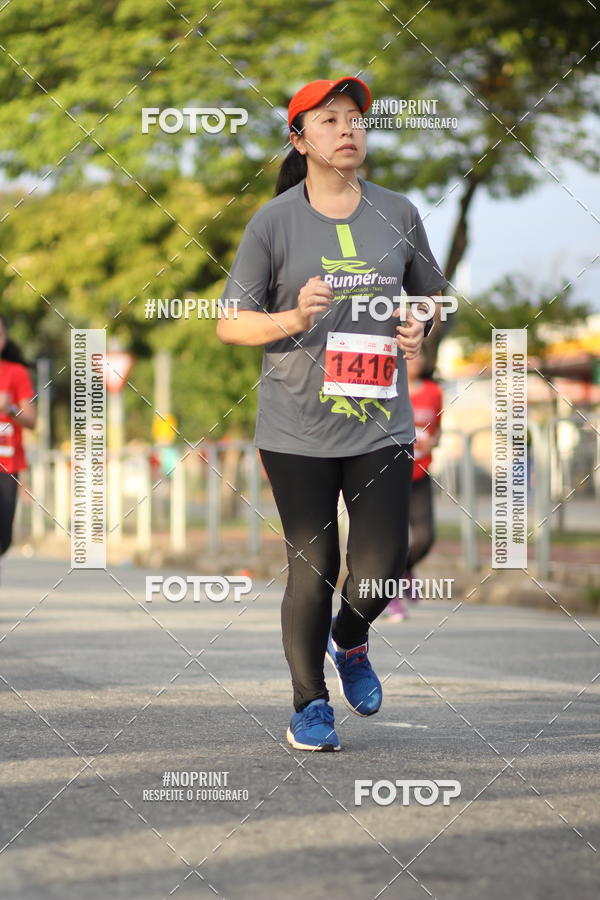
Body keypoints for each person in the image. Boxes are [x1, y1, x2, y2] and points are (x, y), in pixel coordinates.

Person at [217, 77, 447, 751]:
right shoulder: (275, 220)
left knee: (381, 565)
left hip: (381, 420)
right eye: (329, 120)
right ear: (300, 138)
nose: (347, 129)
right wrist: (293, 316)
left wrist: (420, 326)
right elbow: (231, 325)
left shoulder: (398, 213)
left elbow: (432, 296)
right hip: (296, 426)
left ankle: (351, 639)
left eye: (355, 118)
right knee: (313, 563)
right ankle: (308, 704)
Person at [384, 351, 443, 620]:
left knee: (425, 537)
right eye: (411, 356)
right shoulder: (390, 385)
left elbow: (437, 428)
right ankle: (390, 597)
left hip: (420, 474)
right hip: (390, 474)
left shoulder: (433, 391)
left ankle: (405, 569)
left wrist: (434, 440)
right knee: (390, 540)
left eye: (421, 356)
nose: (417, 361)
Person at [0, 315, 37, 564]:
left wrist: (10, 408)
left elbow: (32, 419)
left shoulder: (16, 373)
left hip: (8, 465)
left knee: (4, 537)